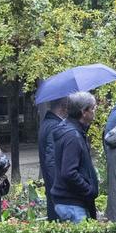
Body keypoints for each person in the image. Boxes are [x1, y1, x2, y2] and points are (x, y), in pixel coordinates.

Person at [49, 91, 100, 223]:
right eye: (94, 108)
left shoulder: (73, 130)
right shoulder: (73, 136)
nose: (96, 111)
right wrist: (89, 190)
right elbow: (69, 172)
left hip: (71, 201)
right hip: (73, 203)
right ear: (84, 112)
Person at [37, 98, 67, 221]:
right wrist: (59, 188)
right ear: (63, 106)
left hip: (52, 187)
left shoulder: (47, 123)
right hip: (57, 188)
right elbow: (52, 160)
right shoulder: (55, 126)